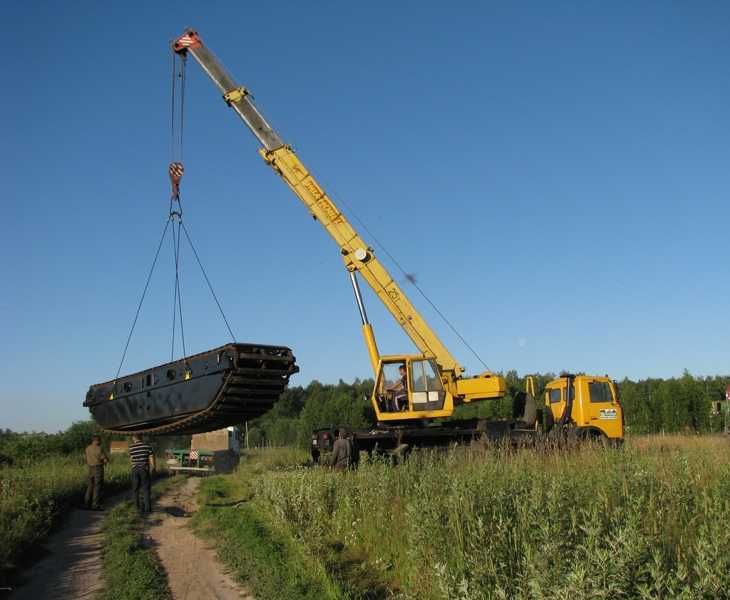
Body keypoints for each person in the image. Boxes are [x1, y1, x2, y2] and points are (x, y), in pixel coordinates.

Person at [129, 434, 156, 513]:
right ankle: (147, 509)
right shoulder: (147, 446)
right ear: (141, 438)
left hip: (135, 469)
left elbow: (131, 459)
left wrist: (133, 466)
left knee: (135, 489)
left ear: (134, 438)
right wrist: (153, 467)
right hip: (144, 469)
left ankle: (137, 508)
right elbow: (151, 457)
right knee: (146, 489)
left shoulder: (131, 447)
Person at [84, 434, 108, 510]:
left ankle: (87, 504)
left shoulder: (87, 448)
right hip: (98, 468)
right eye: (99, 440)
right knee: (97, 486)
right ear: (96, 441)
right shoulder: (99, 448)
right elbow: (105, 460)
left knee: (90, 486)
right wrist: (105, 461)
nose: (100, 442)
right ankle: (95, 505)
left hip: (90, 468)